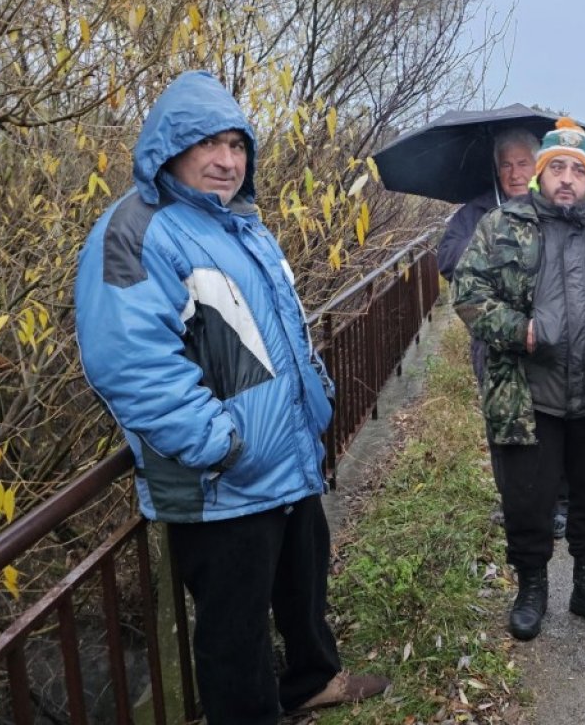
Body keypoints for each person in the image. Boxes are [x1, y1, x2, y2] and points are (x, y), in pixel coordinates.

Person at [74, 70, 389, 724]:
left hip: (284, 453)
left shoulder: (241, 224)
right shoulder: (136, 230)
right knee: (234, 635)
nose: (226, 161)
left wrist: (316, 394)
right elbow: (129, 363)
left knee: (303, 585)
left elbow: (278, 328)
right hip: (220, 480)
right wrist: (218, 444)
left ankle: (311, 682)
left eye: (237, 145)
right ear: (170, 150)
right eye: (208, 145)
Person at [452, 117, 585, 641]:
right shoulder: (502, 226)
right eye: (557, 168)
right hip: (529, 397)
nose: (566, 178)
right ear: (540, 175)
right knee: (528, 500)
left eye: (577, 169)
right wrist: (521, 331)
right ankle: (531, 589)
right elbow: (469, 293)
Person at [434, 128, 569, 539]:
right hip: (493, 346)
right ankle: (513, 502)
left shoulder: (555, 207)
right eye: (506, 164)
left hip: (547, 342)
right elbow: (447, 258)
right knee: (505, 427)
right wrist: (497, 243)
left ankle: (559, 504)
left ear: (537, 165)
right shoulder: (475, 213)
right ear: (497, 168)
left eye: (523, 163)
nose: (514, 172)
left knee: (553, 423)